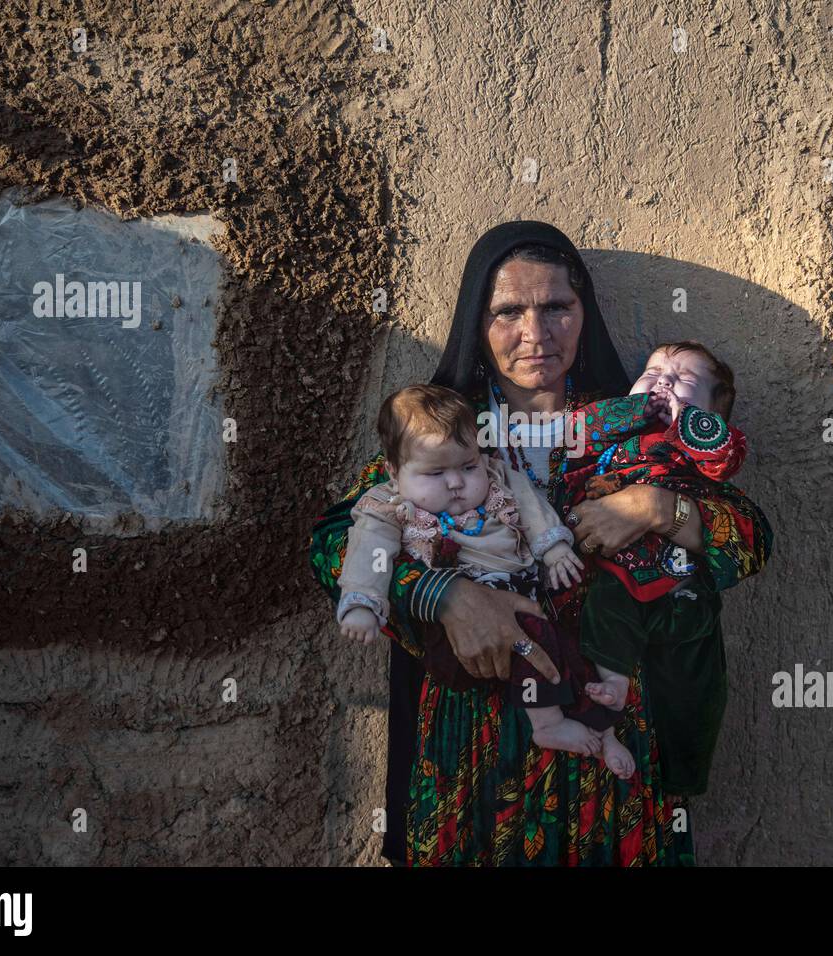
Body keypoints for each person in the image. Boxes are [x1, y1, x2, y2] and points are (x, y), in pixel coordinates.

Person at [308, 220, 772, 865]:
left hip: (609, 729)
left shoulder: (633, 428)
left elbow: (747, 539)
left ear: (584, 315)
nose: (537, 333)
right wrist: (446, 596)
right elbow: (338, 539)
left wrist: (656, 506)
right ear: (477, 320)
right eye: (508, 312)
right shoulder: (443, 433)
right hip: (474, 735)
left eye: (557, 306)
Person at [335, 383, 635, 778]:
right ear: (394, 470)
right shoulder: (388, 506)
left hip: (525, 599)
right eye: (436, 473)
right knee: (539, 655)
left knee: (567, 657)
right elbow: (366, 551)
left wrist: (553, 548)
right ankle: (547, 726)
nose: (456, 483)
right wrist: (362, 603)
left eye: (468, 466)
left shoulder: (497, 478)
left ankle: (604, 728)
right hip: (461, 654)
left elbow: (531, 506)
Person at [558, 340, 750, 797]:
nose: (663, 381)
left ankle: (684, 772)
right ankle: (613, 693)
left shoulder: (697, 446)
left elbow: (726, 454)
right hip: (620, 574)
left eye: (684, 379)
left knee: (693, 675)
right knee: (609, 617)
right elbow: (578, 431)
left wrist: (685, 418)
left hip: (679, 582)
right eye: (652, 371)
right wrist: (637, 410)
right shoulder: (616, 437)